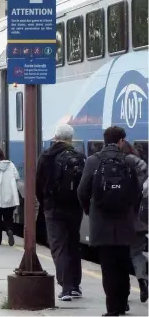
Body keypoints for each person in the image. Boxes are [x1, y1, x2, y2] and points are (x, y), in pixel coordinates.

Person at [77, 126, 141, 316]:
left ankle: (112, 309)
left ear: (104, 141)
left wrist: (90, 210)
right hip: (124, 221)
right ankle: (122, 304)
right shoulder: (129, 162)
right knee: (123, 263)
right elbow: (137, 193)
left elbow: (82, 190)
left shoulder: (92, 161)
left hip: (101, 221)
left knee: (108, 266)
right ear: (121, 141)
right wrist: (131, 212)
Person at [35, 124, 85, 301]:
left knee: (59, 246)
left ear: (55, 136)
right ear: (71, 138)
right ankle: (76, 286)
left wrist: (44, 203)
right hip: (74, 208)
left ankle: (66, 287)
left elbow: (38, 184)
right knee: (73, 244)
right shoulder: (79, 156)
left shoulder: (46, 156)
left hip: (53, 208)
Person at [121, 140, 148, 303]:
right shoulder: (142, 166)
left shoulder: (117, 165)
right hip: (140, 219)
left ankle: (124, 291)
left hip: (121, 219)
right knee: (137, 253)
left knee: (121, 255)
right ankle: (142, 280)